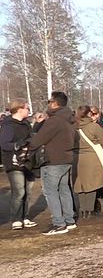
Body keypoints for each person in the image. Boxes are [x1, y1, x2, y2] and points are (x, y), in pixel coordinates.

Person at [29, 92, 77, 235]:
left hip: (53, 160)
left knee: (50, 192)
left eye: (49, 101)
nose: (48, 104)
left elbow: (39, 140)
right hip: (67, 158)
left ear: (55, 103)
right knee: (64, 189)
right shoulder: (70, 119)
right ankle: (69, 220)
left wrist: (29, 145)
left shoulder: (54, 120)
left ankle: (59, 223)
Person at [0, 99, 37, 230]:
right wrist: (17, 144)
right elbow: (4, 144)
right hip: (13, 162)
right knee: (19, 190)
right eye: (27, 108)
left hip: (27, 160)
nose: (29, 110)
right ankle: (16, 218)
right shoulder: (8, 125)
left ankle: (25, 216)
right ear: (20, 109)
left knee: (28, 190)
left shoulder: (26, 124)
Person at [74, 106, 103, 219]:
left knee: (81, 185)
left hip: (77, 158)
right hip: (92, 158)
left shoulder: (73, 127)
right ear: (89, 114)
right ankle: (90, 210)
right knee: (92, 184)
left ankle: (82, 210)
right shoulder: (94, 126)